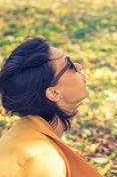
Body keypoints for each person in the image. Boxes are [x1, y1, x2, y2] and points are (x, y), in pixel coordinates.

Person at [0, 37, 101, 177]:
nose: (79, 66)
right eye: (70, 65)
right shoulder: (44, 161)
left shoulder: (20, 133)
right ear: (53, 93)